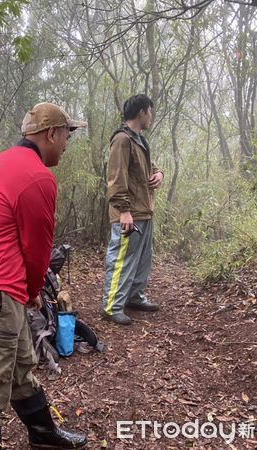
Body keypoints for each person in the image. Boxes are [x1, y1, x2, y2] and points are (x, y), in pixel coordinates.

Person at [0, 102, 88, 449]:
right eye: (67, 134)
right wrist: (31, 292)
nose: (67, 143)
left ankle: (45, 436)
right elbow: (37, 249)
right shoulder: (38, 177)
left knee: (19, 366)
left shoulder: (0, 163)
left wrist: (23, 291)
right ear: (51, 134)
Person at [100, 94, 164, 325]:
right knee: (121, 260)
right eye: (151, 111)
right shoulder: (122, 140)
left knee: (142, 260)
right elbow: (115, 178)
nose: (152, 116)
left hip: (144, 210)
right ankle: (111, 306)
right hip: (128, 213)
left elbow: (149, 166)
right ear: (142, 112)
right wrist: (124, 210)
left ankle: (134, 298)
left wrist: (159, 173)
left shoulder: (140, 140)